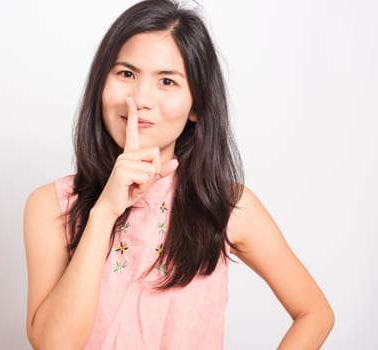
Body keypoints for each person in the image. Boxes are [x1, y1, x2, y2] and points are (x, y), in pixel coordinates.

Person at [23, 0, 334, 349]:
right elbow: (53, 345)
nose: (140, 98)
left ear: (196, 106)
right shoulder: (51, 205)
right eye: (126, 74)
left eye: (167, 81)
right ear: (101, 83)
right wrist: (104, 213)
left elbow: (315, 312)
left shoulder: (226, 206)